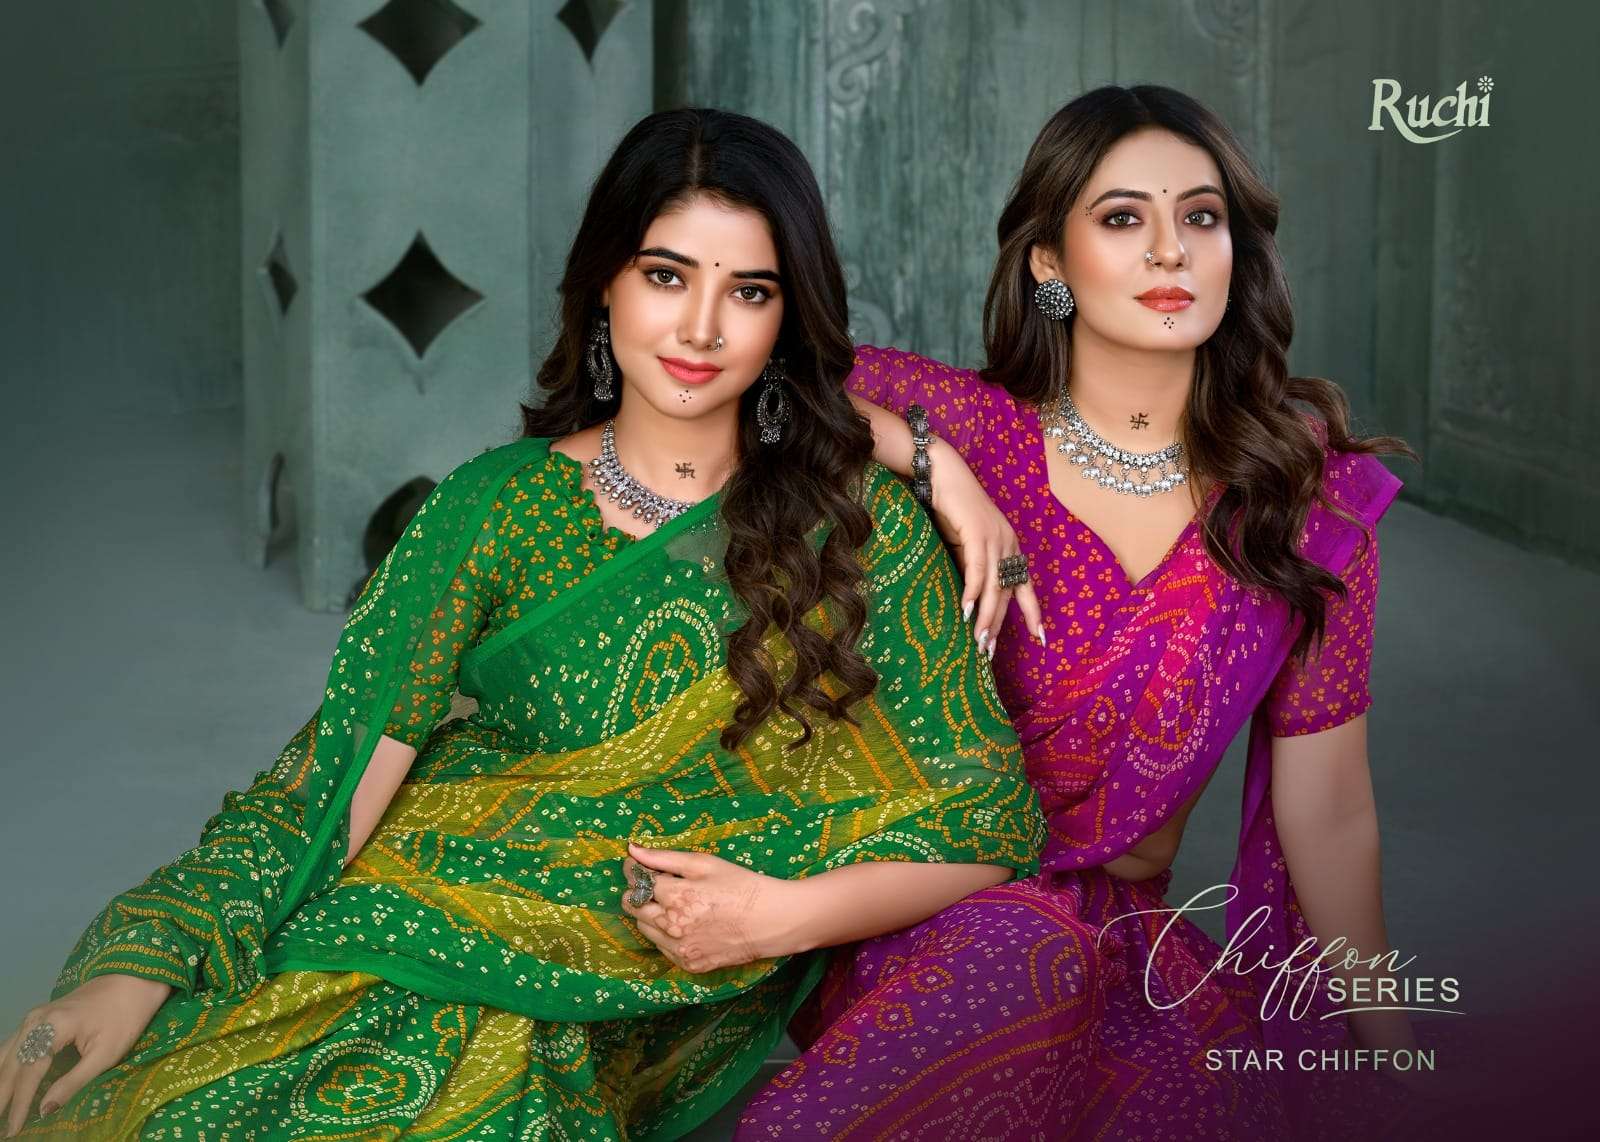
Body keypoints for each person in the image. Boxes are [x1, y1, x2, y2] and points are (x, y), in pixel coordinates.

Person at [0, 107, 1046, 1141]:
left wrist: (776, 917)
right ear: (604, 283)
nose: (701, 329)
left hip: (631, 981)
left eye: (749, 291)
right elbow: (334, 784)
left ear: (786, 316)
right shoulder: (495, 506)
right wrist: (144, 960)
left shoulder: (857, 529)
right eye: (666, 275)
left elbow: (988, 817)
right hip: (410, 911)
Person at [732, 85, 1429, 1141]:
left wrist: (1392, 1045)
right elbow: (748, 379)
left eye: (1200, 217)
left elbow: (1327, 811)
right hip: (924, 914)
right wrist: (937, 466)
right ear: (1048, 264)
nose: (1169, 250)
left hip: (1121, 945)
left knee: (1201, 1108)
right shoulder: (974, 427)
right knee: (1017, 968)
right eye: (1122, 217)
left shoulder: (1302, 504)